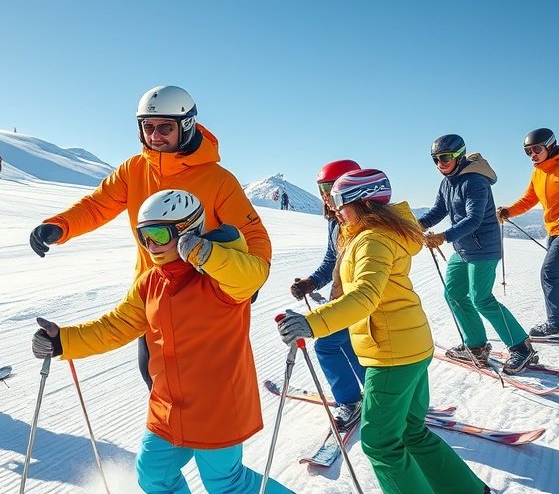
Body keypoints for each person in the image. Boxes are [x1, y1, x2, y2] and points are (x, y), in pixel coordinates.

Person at [32, 190, 293, 494]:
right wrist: (63, 341)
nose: (150, 245)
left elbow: (250, 278)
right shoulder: (150, 282)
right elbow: (116, 325)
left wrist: (208, 255)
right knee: (154, 476)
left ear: (187, 231)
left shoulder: (220, 280)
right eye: (143, 236)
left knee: (226, 483)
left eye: (158, 234)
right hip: (168, 405)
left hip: (217, 406)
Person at [28, 85, 272, 389]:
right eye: (148, 127)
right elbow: (97, 206)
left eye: (165, 127)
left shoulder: (218, 180)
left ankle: (211, 435)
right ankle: (166, 434)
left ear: (186, 125)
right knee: (156, 378)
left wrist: (252, 274)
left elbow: (252, 234)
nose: (155, 135)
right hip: (151, 290)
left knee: (203, 387)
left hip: (203, 298)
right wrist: (61, 226)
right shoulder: (134, 169)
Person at [277, 169, 490, 494]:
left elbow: (364, 295)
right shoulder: (379, 232)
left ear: (362, 202)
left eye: (337, 200)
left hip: (391, 354)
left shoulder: (372, 239)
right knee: (410, 431)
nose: (333, 208)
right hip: (411, 346)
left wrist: (311, 323)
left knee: (379, 443)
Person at [420, 134, 537, 374]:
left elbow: (473, 219)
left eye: (444, 158)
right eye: (435, 159)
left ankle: (522, 348)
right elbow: (437, 211)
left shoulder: (474, 181)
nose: (440, 164)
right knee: (453, 294)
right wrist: (414, 226)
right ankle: (476, 346)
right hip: (462, 248)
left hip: (483, 248)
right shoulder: (448, 182)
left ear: (458, 156)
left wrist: (443, 237)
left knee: (481, 299)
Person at [289, 159, 366, 430]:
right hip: (341, 300)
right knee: (347, 345)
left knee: (326, 345)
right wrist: (312, 282)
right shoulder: (336, 221)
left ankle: (351, 401)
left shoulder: (361, 222)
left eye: (330, 186)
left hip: (358, 301)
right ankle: (373, 394)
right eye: (322, 186)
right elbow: (331, 260)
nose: (325, 193)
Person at [497, 128, 559, 342]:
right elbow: (529, 200)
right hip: (557, 230)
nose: (532, 154)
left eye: (536, 149)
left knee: (550, 273)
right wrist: (508, 211)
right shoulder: (539, 172)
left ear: (550, 145)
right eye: (527, 151)